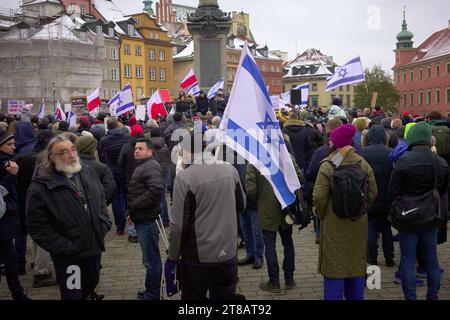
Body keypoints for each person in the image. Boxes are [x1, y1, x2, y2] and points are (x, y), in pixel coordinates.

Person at [26, 135, 111, 300]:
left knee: (90, 285)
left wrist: (103, 223)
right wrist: (63, 246)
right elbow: (36, 225)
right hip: (69, 254)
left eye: (73, 150)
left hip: (93, 247)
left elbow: (100, 196)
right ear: (52, 157)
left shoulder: (86, 171)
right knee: (73, 294)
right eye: (64, 152)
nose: (71, 155)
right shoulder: (41, 185)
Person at [168, 131, 246, 300]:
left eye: (181, 150)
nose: (180, 154)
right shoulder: (230, 169)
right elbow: (242, 205)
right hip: (227, 252)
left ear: (189, 150)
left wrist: (172, 256)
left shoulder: (184, 178)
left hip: (198, 257)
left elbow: (178, 225)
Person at [313, 124, 377, 300]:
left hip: (334, 224)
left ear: (336, 143)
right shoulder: (363, 163)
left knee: (334, 267)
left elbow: (319, 196)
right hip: (358, 222)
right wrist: (362, 209)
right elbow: (372, 193)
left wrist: (324, 213)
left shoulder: (328, 165)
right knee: (356, 265)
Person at [388, 121, 449, 300]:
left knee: (407, 259)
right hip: (431, 215)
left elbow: (392, 190)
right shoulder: (440, 162)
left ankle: (411, 296)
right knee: (431, 259)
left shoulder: (403, 160)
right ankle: (433, 295)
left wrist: (394, 209)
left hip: (408, 215)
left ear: (412, 137)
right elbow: (443, 189)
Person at [246, 152, 304, 294]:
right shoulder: (286, 155)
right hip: (286, 207)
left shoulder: (255, 157)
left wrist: (260, 200)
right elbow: (299, 178)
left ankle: (274, 282)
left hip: (266, 208)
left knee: (270, 245)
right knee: (288, 242)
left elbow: (251, 188)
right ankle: (289, 280)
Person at [127, 138, 164, 300]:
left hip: (148, 220)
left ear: (150, 151)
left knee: (152, 260)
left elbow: (156, 190)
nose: (136, 151)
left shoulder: (150, 166)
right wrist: (132, 214)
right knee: (149, 259)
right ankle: (151, 289)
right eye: (136, 148)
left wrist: (135, 206)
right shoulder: (144, 166)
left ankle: (153, 294)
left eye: (141, 148)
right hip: (142, 218)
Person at [0, 129, 30, 300]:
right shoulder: (5, 166)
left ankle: (18, 293)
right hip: (3, 218)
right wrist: (11, 176)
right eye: (9, 144)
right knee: (10, 260)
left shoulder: (9, 162)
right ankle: (18, 294)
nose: (14, 147)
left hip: (9, 215)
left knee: (10, 259)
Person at [361, 125, 395, 267]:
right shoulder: (391, 152)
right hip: (386, 197)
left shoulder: (363, 153)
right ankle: (389, 257)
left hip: (369, 197)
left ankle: (372, 257)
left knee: (370, 227)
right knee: (386, 227)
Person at [99, 118, 130, 237]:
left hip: (112, 172)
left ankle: (120, 227)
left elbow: (101, 155)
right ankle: (129, 217)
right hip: (125, 170)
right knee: (128, 194)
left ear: (107, 126)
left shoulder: (103, 140)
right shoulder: (126, 137)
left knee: (117, 199)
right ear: (117, 126)